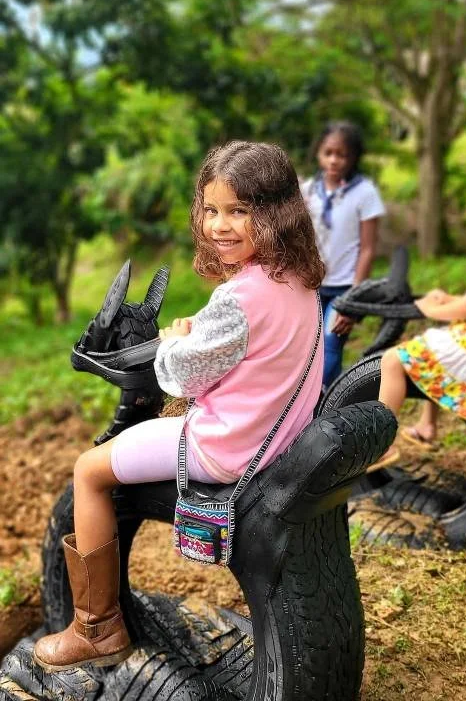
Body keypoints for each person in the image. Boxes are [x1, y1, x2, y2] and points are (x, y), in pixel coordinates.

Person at [34, 141, 325, 672]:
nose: (220, 225)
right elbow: (245, 349)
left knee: (89, 470)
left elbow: (179, 376)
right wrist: (198, 335)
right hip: (276, 435)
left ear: (277, 213)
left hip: (227, 447)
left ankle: (96, 628)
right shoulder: (300, 281)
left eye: (239, 210)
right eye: (211, 209)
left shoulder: (238, 298)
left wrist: (171, 341)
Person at [371, 173, 466, 471]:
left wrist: (430, 307)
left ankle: (381, 446)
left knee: (392, 360)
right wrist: (449, 299)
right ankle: (427, 426)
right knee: (435, 345)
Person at [302, 120, 386, 386]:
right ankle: (330, 410)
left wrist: (354, 299)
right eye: (328, 153)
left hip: (343, 288)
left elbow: (368, 249)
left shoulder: (365, 193)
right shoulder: (307, 192)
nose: (334, 160)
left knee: (330, 348)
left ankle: (322, 410)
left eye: (342, 154)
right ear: (318, 152)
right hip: (310, 285)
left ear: (353, 157)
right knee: (306, 353)